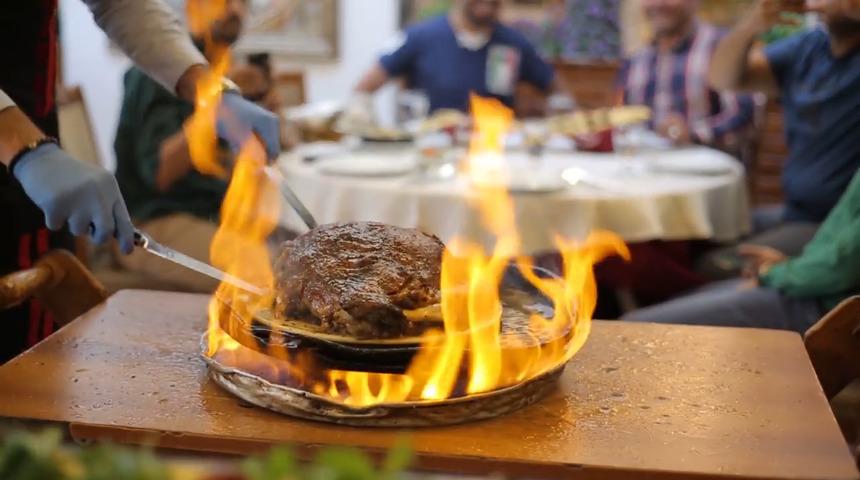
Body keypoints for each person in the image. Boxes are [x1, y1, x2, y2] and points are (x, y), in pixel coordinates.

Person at [0, 0, 280, 363]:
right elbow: (157, 170)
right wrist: (25, 150)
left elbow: (120, 4)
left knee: (28, 373)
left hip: (28, 185)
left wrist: (212, 93)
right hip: (26, 159)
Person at [115, 0, 287, 292]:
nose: (234, 11)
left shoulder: (221, 67)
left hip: (211, 214)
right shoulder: (158, 71)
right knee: (276, 274)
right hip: (153, 223)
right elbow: (159, 172)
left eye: (242, 2)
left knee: (304, 253)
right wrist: (215, 107)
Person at [698, 0, 860, 279]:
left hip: (832, 226)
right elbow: (721, 79)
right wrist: (753, 24)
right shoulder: (810, 47)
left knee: (709, 264)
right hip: (792, 211)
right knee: (693, 237)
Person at [623, 167, 860, 333]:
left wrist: (775, 273)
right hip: (809, 287)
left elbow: (839, 269)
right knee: (662, 306)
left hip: (825, 310)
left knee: (631, 330)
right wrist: (788, 266)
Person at [343, 0, 572, 127]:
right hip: (434, 151)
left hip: (496, 155)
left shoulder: (513, 43)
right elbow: (363, 89)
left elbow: (558, 91)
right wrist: (367, 126)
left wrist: (556, 112)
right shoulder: (420, 36)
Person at [617, 0, 755, 153]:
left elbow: (742, 115)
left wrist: (693, 134)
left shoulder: (721, 46)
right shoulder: (638, 58)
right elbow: (625, 119)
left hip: (707, 171)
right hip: (646, 169)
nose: (658, 4)